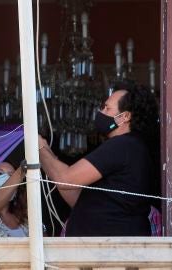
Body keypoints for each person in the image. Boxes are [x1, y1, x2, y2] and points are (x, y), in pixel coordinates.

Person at [38, 85, 160, 236]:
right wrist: (46, 154)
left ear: (124, 117)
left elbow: (65, 180)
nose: (101, 113)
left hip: (110, 251)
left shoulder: (122, 145)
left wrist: (40, 148)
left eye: (107, 108)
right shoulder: (133, 146)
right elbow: (77, 196)